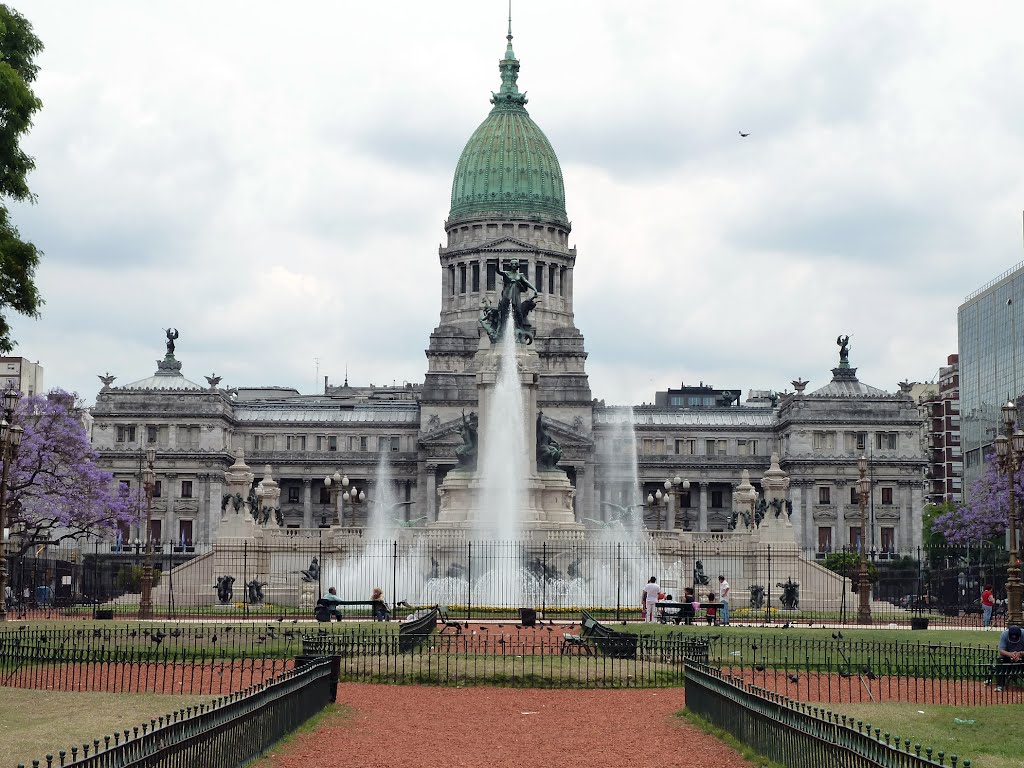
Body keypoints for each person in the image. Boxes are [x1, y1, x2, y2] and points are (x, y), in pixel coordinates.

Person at [995, 624, 1024, 691]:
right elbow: (1001, 650)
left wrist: (1020, 654)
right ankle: (1000, 685)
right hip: (1008, 656)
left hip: (1022, 655)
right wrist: (1010, 654)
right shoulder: (1004, 635)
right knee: (1000, 661)